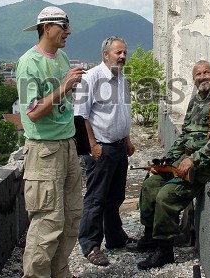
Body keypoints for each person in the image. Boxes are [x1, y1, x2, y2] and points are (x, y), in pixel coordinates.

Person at [126, 60, 210, 270]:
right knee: (150, 186)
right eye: (198, 74)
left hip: (209, 164)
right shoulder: (196, 100)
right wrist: (166, 160)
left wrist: (193, 159)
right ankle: (150, 237)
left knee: (166, 196)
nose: (202, 76)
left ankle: (164, 250)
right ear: (194, 79)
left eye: (206, 72)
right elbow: (185, 134)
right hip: (186, 160)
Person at [16, 6, 86, 277]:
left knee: (70, 217)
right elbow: (32, 111)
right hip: (44, 150)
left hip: (66, 145)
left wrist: (69, 88)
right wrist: (64, 87)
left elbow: (60, 99)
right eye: (64, 26)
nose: (68, 32)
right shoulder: (28, 63)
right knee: (47, 222)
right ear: (47, 28)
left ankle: (60, 273)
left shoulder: (62, 57)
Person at [73, 36, 136, 266]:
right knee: (96, 199)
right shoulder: (91, 79)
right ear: (105, 55)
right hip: (101, 148)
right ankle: (90, 245)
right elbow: (81, 115)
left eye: (124, 53)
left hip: (119, 147)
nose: (122, 57)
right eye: (118, 53)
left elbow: (123, 112)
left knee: (115, 197)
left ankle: (116, 238)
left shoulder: (122, 79)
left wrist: (127, 139)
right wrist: (92, 145)